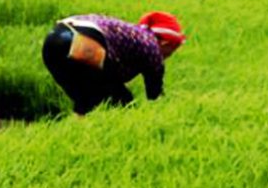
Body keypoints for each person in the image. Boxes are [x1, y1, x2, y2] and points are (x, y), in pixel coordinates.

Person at [41, 11, 186, 116]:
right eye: (170, 52)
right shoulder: (152, 46)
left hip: (53, 40)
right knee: (123, 102)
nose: (166, 57)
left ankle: (77, 134)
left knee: (85, 99)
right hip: (84, 39)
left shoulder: (134, 34)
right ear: (165, 42)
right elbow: (155, 96)